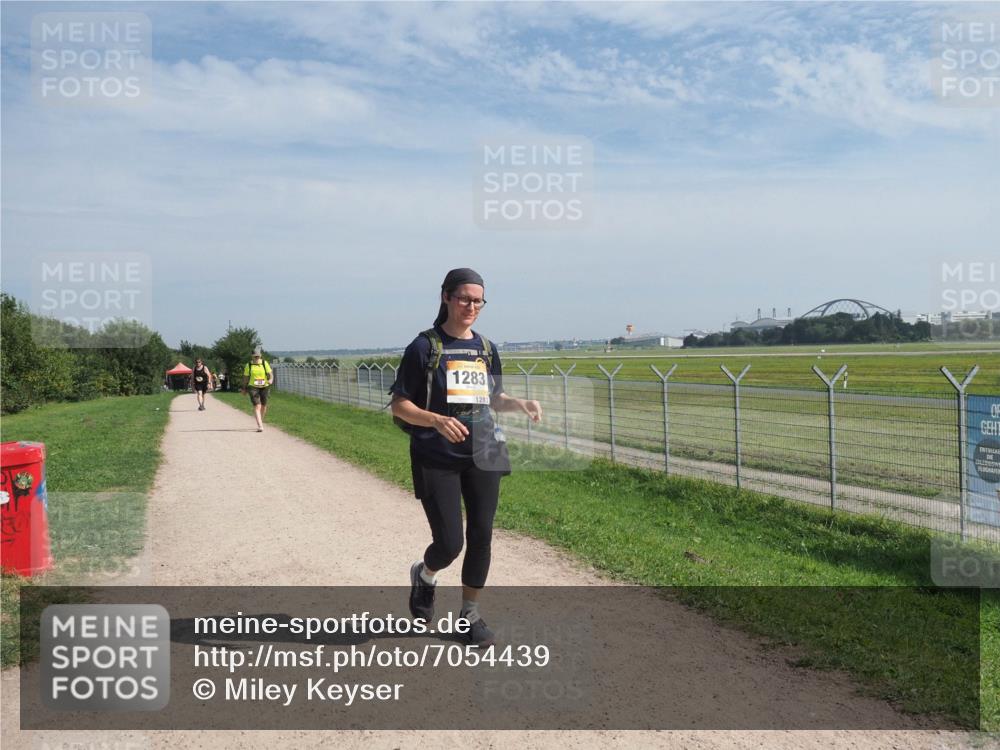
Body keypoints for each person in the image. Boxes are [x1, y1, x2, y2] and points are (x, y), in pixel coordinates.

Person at [389, 268, 542, 647]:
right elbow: (400, 405)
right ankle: (425, 575)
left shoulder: (486, 349)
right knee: (449, 544)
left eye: (478, 301)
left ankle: (469, 616)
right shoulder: (424, 347)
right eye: (464, 299)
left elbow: (494, 398)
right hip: (436, 455)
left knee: (481, 535)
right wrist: (436, 420)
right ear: (446, 297)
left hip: (483, 451)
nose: (471, 307)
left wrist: (520, 403)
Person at [242, 347, 273, 432]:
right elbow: (245, 377)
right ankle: (260, 425)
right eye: (255, 356)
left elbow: (270, 374)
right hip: (253, 387)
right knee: (257, 405)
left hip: (264, 386)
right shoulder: (248, 365)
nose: (257, 357)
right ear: (252, 356)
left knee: (264, 405)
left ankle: (260, 421)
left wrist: (271, 379)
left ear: (260, 356)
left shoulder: (264, 363)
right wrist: (244, 388)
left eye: (258, 356)